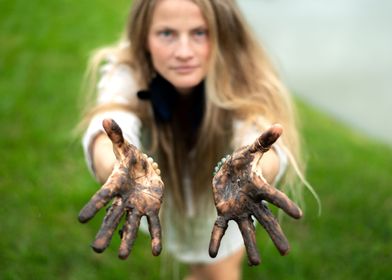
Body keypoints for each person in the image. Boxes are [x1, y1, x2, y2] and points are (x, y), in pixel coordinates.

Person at [78, 0, 311, 279]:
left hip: (225, 192)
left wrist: (254, 173)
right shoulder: (130, 69)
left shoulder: (243, 73)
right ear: (143, 38)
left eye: (200, 32)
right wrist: (114, 167)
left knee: (219, 271)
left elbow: (259, 134)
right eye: (167, 34)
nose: (184, 52)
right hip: (163, 193)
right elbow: (111, 120)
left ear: (223, 32)